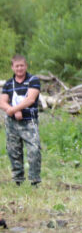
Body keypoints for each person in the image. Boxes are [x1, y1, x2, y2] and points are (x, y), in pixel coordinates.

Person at [0, 55, 41, 187]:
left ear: (26, 66)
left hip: (29, 121)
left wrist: (16, 109)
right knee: (14, 151)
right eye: (17, 66)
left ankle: (34, 180)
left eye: (21, 65)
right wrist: (12, 111)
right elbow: (2, 101)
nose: (19, 68)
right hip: (12, 123)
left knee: (34, 150)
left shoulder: (33, 80)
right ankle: (18, 180)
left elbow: (30, 99)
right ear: (13, 67)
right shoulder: (8, 84)